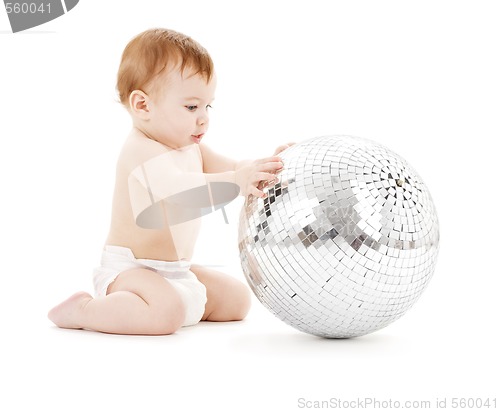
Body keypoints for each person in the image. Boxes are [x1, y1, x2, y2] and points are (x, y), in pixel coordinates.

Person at [47, 28, 293, 335]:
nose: (204, 118)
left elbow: (234, 167)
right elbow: (181, 191)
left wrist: (263, 168)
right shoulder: (141, 151)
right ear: (143, 106)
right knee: (165, 315)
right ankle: (84, 311)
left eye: (208, 106)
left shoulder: (191, 147)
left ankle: (170, 299)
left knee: (237, 301)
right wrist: (236, 180)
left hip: (175, 271)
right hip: (131, 270)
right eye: (191, 107)